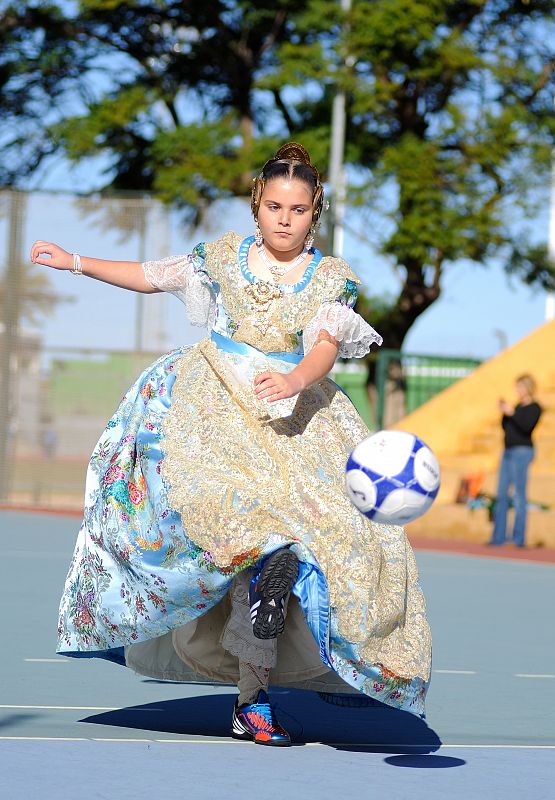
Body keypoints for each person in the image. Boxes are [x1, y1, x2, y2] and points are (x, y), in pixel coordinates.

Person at [30, 142, 432, 746]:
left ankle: (264, 677)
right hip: (213, 410)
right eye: (274, 206)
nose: (285, 219)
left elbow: (323, 344)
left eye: (298, 209)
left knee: (314, 541)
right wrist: (76, 261)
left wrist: (295, 378)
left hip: (295, 418)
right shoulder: (221, 258)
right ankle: (249, 681)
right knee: (236, 530)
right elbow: (149, 276)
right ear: (256, 205)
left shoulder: (330, 277)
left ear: (314, 212)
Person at [489, 374, 542, 548]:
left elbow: (526, 426)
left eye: (520, 387)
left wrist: (512, 413)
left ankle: (518, 539)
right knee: (501, 494)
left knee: (519, 495)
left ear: (528, 388)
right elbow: (507, 426)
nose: (517, 391)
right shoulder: (517, 406)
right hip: (508, 451)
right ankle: (498, 537)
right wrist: (505, 413)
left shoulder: (534, 407)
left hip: (522, 452)